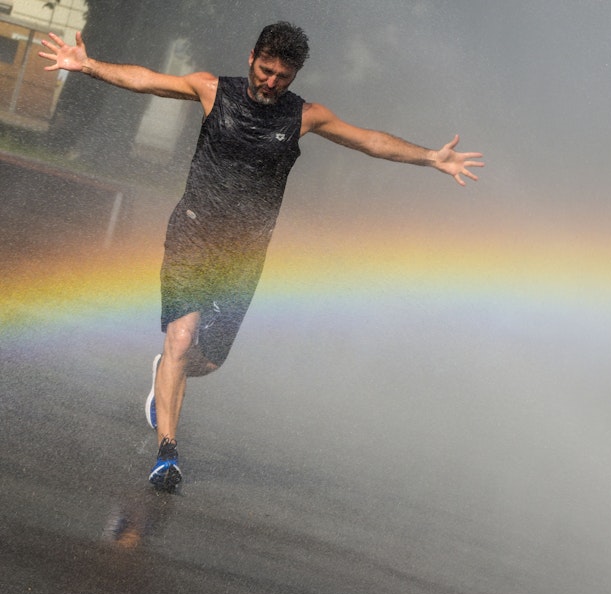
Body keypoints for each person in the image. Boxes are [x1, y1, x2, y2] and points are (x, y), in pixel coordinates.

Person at [39, 22, 484, 491]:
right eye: (266, 70)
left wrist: (431, 157)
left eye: (283, 76)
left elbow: (369, 140)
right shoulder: (212, 89)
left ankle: (168, 373)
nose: (271, 82)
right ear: (252, 57)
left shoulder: (305, 116)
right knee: (180, 337)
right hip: (194, 230)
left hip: (245, 251)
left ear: (295, 75)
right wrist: (87, 65)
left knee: (207, 360)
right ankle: (167, 454)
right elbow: (147, 78)